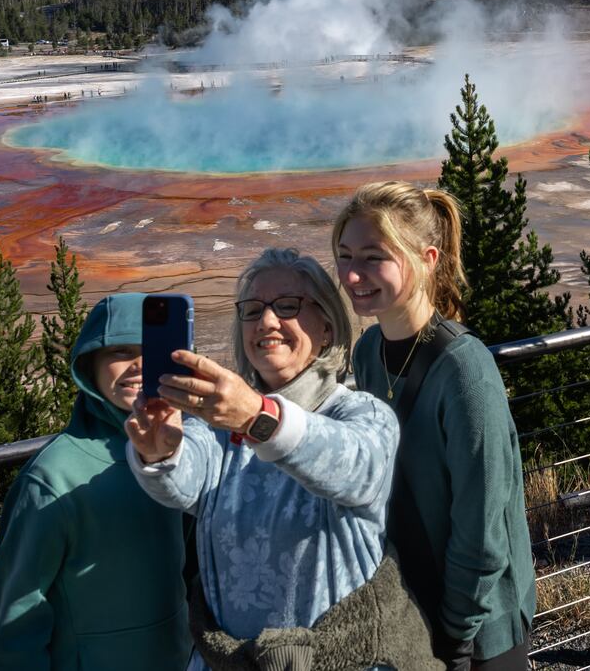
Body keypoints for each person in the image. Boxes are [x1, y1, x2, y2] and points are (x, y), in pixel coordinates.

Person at [124, 247, 438, 671]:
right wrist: (160, 449)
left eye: (287, 306)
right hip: (234, 660)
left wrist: (257, 417)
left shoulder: (362, 413)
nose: (267, 321)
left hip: (347, 660)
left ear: (326, 327)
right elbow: (183, 480)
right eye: (252, 310)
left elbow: (355, 468)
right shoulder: (219, 425)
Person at [334, 181, 536, 671]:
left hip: (480, 626)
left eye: (372, 257)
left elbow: (483, 524)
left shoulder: (465, 371)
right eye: (344, 256)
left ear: (426, 258)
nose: (353, 275)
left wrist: (455, 635)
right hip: (411, 605)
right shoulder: (368, 353)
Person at [0, 293, 191, 670]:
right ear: (90, 365)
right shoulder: (53, 476)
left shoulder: (186, 451)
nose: (139, 365)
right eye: (120, 352)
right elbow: (14, 623)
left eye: (151, 350)